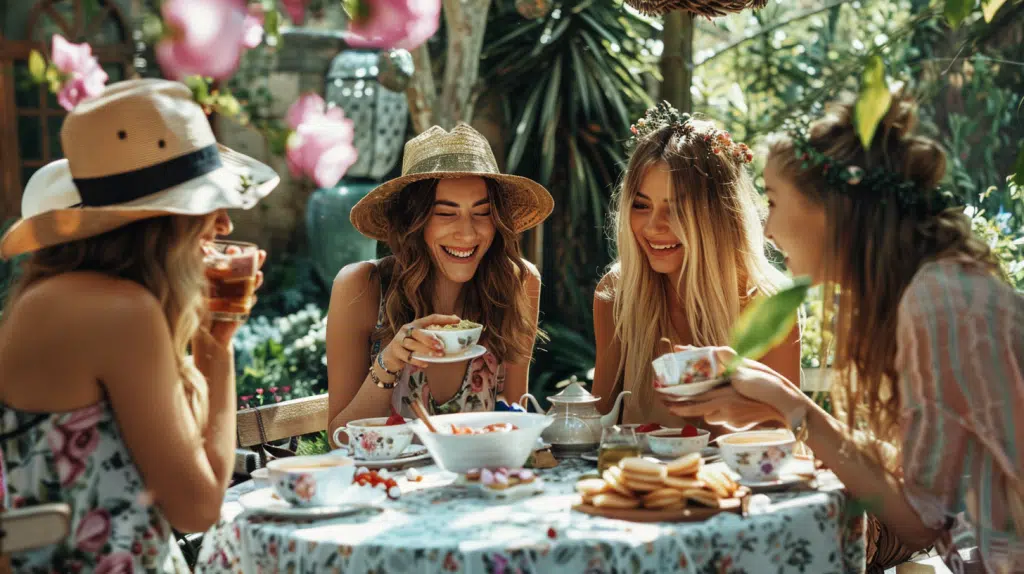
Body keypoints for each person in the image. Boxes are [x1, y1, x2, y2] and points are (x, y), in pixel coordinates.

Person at [668, 95, 1023, 573]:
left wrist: (791, 404)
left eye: (772, 201)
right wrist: (772, 406)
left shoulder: (939, 302)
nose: (767, 229)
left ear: (831, 210)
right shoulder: (928, 291)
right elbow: (922, 473)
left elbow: (920, 520)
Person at [0, 79, 277, 571]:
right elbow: (199, 508)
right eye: (206, 205)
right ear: (164, 220)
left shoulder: (54, 296)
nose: (225, 225)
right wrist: (216, 347)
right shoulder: (119, 311)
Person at [327, 124, 552, 442]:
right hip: (386, 487)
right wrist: (390, 360)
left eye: (482, 212)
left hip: (480, 482)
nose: (468, 233)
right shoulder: (362, 287)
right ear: (413, 223)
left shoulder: (517, 282)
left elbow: (512, 416)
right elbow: (339, 438)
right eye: (446, 214)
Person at [593, 102, 800, 426]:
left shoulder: (769, 304)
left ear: (718, 213)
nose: (652, 226)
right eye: (641, 205)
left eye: (676, 208)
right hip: (634, 477)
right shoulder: (616, 293)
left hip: (735, 478)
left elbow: (778, 442)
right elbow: (598, 421)